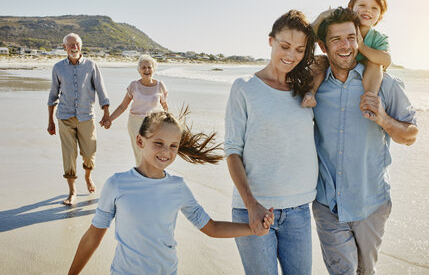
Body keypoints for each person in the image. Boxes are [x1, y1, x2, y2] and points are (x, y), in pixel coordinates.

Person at [68, 110, 274, 275]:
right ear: (140, 141)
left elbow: (211, 228)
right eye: (158, 143)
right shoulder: (117, 184)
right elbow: (93, 237)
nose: (166, 152)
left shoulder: (178, 187)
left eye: (173, 146)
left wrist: (253, 228)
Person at [311, 7, 418, 274]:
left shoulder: (385, 85)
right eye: (336, 40)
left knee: (366, 272)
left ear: (360, 39)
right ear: (323, 46)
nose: (346, 46)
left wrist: (384, 119)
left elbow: (411, 135)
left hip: (371, 204)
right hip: (328, 205)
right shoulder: (314, 87)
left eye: (351, 37)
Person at [225, 10, 319, 275]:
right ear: (270, 41)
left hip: (299, 210)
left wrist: (311, 88)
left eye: (300, 49)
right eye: (284, 46)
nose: (291, 55)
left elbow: (328, 57)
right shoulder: (244, 87)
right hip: (253, 209)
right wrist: (251, 204)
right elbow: (232, 151)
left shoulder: (305, 88)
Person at [302, 0, 391, 115]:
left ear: (381, 16)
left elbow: (386, 59)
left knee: (375, 64)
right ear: (351, 7)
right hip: (340, 66)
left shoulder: (378, 38)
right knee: (320, 61)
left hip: (366, 73)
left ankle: (369, 98)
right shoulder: (341, 24)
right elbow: (307, 38)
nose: (368, 10)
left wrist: (361, 46)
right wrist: (322, 16)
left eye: (374, 8)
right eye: (362, 5)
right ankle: (311, 93)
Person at [47, 33, 110, 206]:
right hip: (64, 117)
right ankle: (72, 191)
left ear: (81, 46)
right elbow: (53, 95)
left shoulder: (91, 65)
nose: (74, 47)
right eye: (70, 44)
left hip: (86, 117)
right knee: (69, 155)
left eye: (77, 44)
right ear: (64, 47)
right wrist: (50, 120)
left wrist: (106, 112)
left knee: (89, 153)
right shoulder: (58, 68)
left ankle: (88, 177)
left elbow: (101, 89)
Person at [104, 54, 168, 165]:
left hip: (154, 123)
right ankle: (143, 176)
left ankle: (154, 174)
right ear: (139, 70)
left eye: (149, 67)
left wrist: (170, 124)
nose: (147, 70)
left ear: (154, 69)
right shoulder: (134, 86)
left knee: (154, 150)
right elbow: (123, 106)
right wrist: (109, 119)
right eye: (144, 67)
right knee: (140, 152)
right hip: (135, 123)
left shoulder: (160, 85)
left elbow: (165, 106)